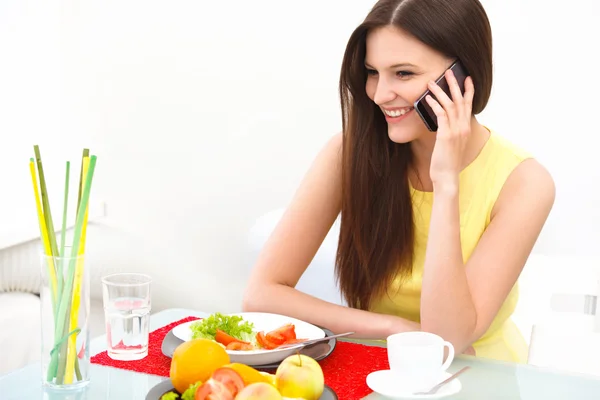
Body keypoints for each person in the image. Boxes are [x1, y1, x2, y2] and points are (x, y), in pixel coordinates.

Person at [242, 0, 555, 363]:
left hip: (478, 377)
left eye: (403, 73)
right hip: (379, 369)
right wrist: (394, 328)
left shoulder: (525, 183)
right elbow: (261, 295)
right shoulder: (348, 153)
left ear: (461, 75)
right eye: (373, 72)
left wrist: (445, 182)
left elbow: (447, 340)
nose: (379, 94)